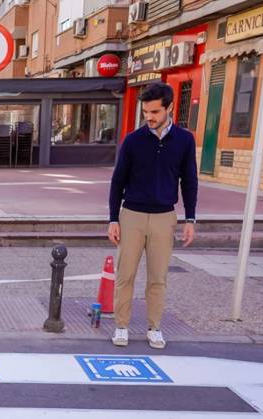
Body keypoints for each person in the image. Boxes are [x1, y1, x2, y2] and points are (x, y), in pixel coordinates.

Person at [107, 83, 197, 350]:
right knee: (125, 275)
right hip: (131, 215)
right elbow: (117, 181)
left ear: (169, 107)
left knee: (158, 277)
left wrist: (190, 219)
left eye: (155, 111)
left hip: (164, 217)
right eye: (146, 111)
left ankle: (154, 327)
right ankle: (121, 326)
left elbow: (189, 181)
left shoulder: (184, 140)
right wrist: (113, 218)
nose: (149, 117)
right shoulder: (133, 140)